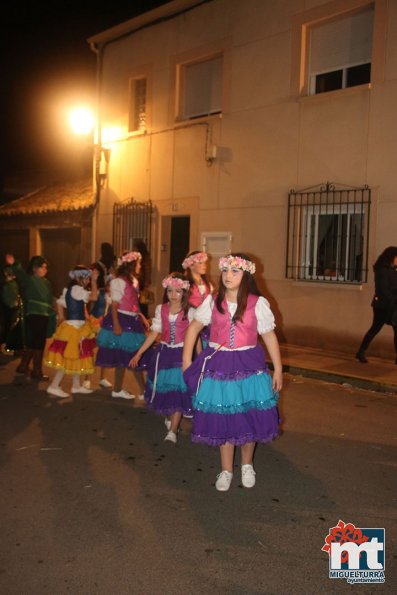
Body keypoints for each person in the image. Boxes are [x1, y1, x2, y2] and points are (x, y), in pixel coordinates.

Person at [182, 253, 283, 492]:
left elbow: (268, 335)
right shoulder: (212, 301)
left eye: (234, 271)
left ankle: (247, 464)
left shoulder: (258, 303)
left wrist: (278, 368)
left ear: (245, 274)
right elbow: (194, 327)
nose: (228, 276)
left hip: (249, 363)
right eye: (225, 270)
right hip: (218, 364)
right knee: (224, 415)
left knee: (249, 413)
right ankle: (226, 469)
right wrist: (187, 360)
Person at [129, 273, 193, 444]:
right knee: (164, 388)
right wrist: (139, 352)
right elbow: (154, 333)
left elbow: (196, 337)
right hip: (164, 354)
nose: (173, 295)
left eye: (178, 291)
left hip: (181, 354)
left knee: (178, 391)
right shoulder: (161, 309)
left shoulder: (190, 311)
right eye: (170, 291)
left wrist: (199, 358)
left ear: (184, 292)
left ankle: (173, 431)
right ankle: (170, 416)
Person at [95, 250, 149, 399]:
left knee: (127, 357)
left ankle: (120, 390)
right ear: (130, 264)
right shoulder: (118, 281)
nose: (140, 266)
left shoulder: (133, 281)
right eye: (138, 263)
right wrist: (116, 325)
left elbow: (134, 303)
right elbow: (114, 305)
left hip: (132, 320)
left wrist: (141, 316)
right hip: (122, 320)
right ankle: (140, 391)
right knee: (129, 356)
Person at [44, 265, 99, 398]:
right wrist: (94, 281)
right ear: (79, 277)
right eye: (86, 278)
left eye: (88, 278)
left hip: (76, 326)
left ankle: (76, 386)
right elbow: (94, 297)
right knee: (68, 358)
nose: (87, 280)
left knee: (77, 356)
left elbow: (60, 302)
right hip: (74, 328)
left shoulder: (70, 289)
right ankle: (54, 386)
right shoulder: (77, 289)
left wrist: (61, 317)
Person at [5, 253, 56, 380]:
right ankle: (37, 371)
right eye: (41, 267)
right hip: (34, 314)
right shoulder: (29, 279)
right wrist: (14, 263)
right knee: (38, 343)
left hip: (45, 315)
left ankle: (23, 365)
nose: (45, 269)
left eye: (46, 267)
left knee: (36, 343)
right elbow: (20, 272)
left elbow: (49, 299)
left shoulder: (47, 283)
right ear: (34, 268)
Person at [356, 246, 397, 364]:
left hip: (393, 305)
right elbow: (383, 289)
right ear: (391, 257)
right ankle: (361, 351)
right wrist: (392, 299)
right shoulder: (382, 270)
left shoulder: (393, 269)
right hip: (383, 306)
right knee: (375, 328)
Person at [83, 263, 113, 390]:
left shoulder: (115, 297)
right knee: (91, 352)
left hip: (107, 326)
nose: (111, 286)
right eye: (110, 283)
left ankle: (103, 378)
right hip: (94, 323)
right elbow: (89, 303)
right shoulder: (98, 292)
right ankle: (86, 379)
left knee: (105, 352)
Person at [0, 267, 23, 355]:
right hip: (6, 308)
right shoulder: (5, 284)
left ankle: (8, 346)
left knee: (11, 326)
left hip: (13, 308)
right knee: (6, 326)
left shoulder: (14, 283)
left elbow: (17, 293)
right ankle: (4, 345)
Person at [133, 239, 152, 319]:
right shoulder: (139, 258)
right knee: (138, 303)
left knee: (142, 304)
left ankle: (144, 319)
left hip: (142, 283)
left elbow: (147, 272)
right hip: (139, 282)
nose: (134, 250)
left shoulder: (145, 259)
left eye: (136, 248)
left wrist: (146, 286)